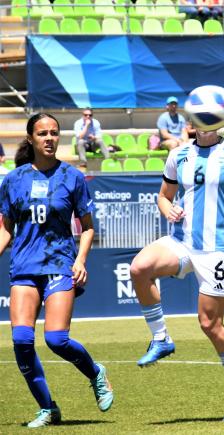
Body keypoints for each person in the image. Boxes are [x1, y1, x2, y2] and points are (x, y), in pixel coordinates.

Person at [129, 112, 224, 421]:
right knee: (139, 268)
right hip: (182, 241)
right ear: (191, 125)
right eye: (197, 121)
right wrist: (167, 208)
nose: (201, 126)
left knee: (210, 325)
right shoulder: (178, 154)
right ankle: (161, 339)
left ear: (219, 124)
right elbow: (163, 196)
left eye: (208, 121)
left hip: (218, 250)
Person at [0, 113, 114, 428]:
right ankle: (48, 408)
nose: (49, 138)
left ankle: (96, 373)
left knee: (56, 339)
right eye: (42, 133)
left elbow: (88, 228)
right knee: (22, 340)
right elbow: (6, 228)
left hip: (60, 266)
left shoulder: (72, 177)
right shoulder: (13, 179)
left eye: (54, 133)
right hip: (23, 268)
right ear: (31, 139)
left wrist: (80, 260)